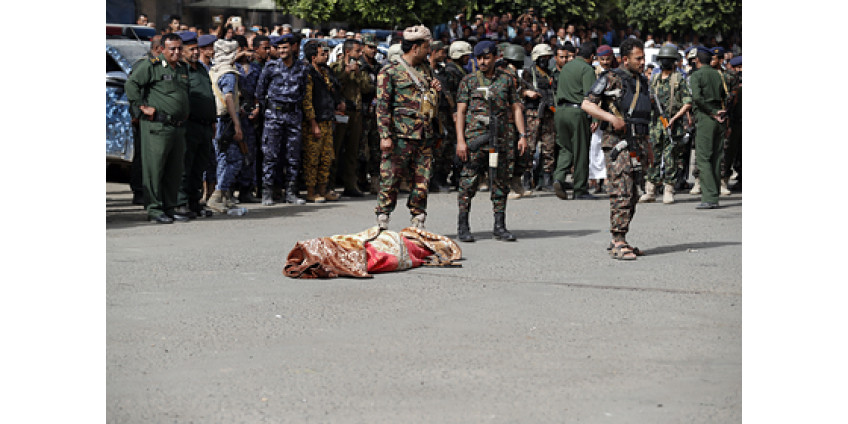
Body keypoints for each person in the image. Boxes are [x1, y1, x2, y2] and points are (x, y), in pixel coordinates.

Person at [581, 37, 653, 260]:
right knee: (621, 190)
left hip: (638, 141)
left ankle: (620, 239)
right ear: (625, 59)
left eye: (643, 58)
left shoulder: (642, 81)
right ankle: (618, 239)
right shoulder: (610, 78)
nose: (642, 62)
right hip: (617, 144)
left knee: (633, 194)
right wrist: (611, 118)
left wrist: (648, 146)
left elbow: (644, 115)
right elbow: (587, 104)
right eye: (638, 58)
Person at [455, 40, 528, 242]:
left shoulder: (506, 80)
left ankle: (499, 226)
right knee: (468, 184)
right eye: (479, 58)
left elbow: (515, 108)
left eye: (487, 57)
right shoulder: (468, 81)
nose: (483, 61)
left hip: (500, 140)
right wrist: (460, 140)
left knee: (500, 183)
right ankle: (463, 226)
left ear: (496, 57)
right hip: (475, 140)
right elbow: (460, 112)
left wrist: (523, 135)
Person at [373, 25, 442, 230]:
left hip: (424, 134)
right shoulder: (390, 72)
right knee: (391, 178)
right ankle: (383, 220)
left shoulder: (426, 69)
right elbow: (382, 106)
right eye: (426, 46)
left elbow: (428, 100)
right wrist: (385, 135)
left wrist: (435, 90)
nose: (428, 50)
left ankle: (418, 220)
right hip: (399, 136)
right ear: (415, 47)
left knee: (422, 180)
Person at [124, 33, 191, 223]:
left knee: (174, 169)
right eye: (172, 49)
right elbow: (131, 84)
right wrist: (141, 107)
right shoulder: (151, 66)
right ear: (162, 49)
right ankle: (154, 209)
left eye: (179, 48)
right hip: (157, 126)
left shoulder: (181, 69)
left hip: (177, 126)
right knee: (154, 169)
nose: (176, 52)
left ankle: (170, 207)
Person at [254, 34, 309, 205]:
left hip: (293, 114)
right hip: (274, 115)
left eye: (285, 48)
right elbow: (260, 92)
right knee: (270, 155)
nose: (282, 51)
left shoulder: (302, 68)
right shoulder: (271, 67)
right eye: (279, 49)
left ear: (292, 48)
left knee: (293, 156)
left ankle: (291, 192)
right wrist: (269, 109)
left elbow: (303, 91)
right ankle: (267, 192)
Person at [640, 44, 692, 204]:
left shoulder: (679, 79)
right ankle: (650, 190)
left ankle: (669, 189)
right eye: (663, 60)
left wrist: (675, 117)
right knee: (653, 156)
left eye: (668, 60)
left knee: (670, 158)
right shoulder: (654, 78)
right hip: (656, 124)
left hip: (672, 124)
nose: (665, 63)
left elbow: (688, 101)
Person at [175, 32, 216, 218]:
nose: (195, 52)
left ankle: (194, 201)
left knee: (199, 167)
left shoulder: (200, 68)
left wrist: (213, 120)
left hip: (206, 125)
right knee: (186, 166)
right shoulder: (181, 70)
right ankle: (181, 202)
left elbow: (209, 94)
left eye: (196, 49)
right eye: (191, 49)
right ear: (182, 51)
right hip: (189, 125)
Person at [331, 39, 374, 197]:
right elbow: (333, 85)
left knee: (353, 151)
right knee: (335, 149)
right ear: (348, 52)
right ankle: (329, 185)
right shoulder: (335, 67)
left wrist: (356, 74)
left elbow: (367, 87)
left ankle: (351, 184)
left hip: (356, 112)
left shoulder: (361, 68)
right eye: (357, 51)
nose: (360, 54)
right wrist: (346, 72)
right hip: (341, 113)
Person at [554, 41, 597, 200]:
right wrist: (594, 117)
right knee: (580, 151)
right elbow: (590, 96)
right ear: (592, 56)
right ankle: (580, 189)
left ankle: (558, 177)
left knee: (565, 148)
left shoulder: (566, 67)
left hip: (560, 111)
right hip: (577, 112)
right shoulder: (587, 69)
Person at [207, 39, 246, 213]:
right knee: (233, 159)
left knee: (222, 158)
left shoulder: (214, 70)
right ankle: (218, 194)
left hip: (217, 119)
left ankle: (222, 196)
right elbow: (229, 98)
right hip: (226, 120)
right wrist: (237, 124)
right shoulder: (228, 73)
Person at [302, 41, 343, 203]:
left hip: (327, 120)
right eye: (322, 54)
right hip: (315, 122)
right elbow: (307, 101)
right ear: (313, 57)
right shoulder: (308, 73)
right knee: (312, 159)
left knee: (327, 158)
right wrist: (313, 123)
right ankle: (311, 192)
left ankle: (322, 189)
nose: (326, 56)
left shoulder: (325, 72)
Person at [689, 47, 727, 209]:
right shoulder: (718, 74)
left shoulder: (696, 75)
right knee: (717, 157)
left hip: (706, 117)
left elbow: (697, 97)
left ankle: (709, 197)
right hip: (720, 117)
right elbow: (725, 96)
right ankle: (715, 193)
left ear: (697, 60)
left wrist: (711, 112)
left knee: (704, 158)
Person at [128, 34, 164, 206]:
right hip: (143, 117)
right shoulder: (143, 65)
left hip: (157, 119)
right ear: (157, 49)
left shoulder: (162, 65)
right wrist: (137, 112)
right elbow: (133, 89)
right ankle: (139, 190)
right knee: (142, 157)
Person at [522, 43, 557, 191]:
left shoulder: (550, 73)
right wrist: (527, 93)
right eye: (543, 58)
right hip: (533, 113)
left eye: (548, 58)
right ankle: (527, 177)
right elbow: (518, 90)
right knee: (530, 146)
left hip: (549, 113)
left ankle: (547, 178)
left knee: (549, 146)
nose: (546, 61)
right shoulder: (528, 73)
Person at [359, 33, 384, 194]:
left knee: (376, 148)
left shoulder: (378, 67)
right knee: (361, 149)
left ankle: (375, 181)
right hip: (362, 112)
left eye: (375, 47)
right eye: (370, 47)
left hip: (376, 113)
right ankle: (360, 180)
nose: (373, 50)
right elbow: (364, 88)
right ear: (363, 48)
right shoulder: (360, 66)